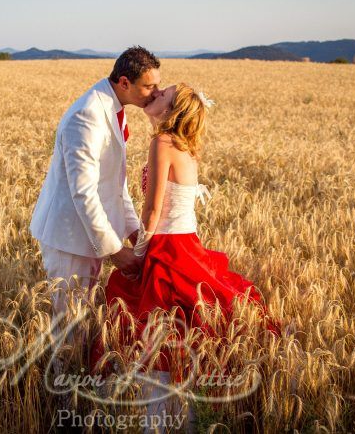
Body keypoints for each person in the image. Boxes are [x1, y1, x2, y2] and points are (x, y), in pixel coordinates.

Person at [88, 83, 280, 430]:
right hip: (187, 243)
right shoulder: (185, 147)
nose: (155, 92)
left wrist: (139, 254)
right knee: (182, 328)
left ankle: (156, 421)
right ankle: (188, 419)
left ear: (172, 111)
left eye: (163, 94)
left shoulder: (161, 142)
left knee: (151, 320)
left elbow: (153, 209)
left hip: (168, 248)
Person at [29, 46, 162, 351]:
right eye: (149, 86)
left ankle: (78, 382)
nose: (155, 93)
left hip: (88, 235)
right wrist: (117, 251)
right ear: (125, 82)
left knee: (83, 317)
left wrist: (134, 232)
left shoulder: (112, 107)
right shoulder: (88, 115)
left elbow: (115, 186)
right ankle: (63, 393)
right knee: (68, 325)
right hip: (69, 237)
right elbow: (84, 191)